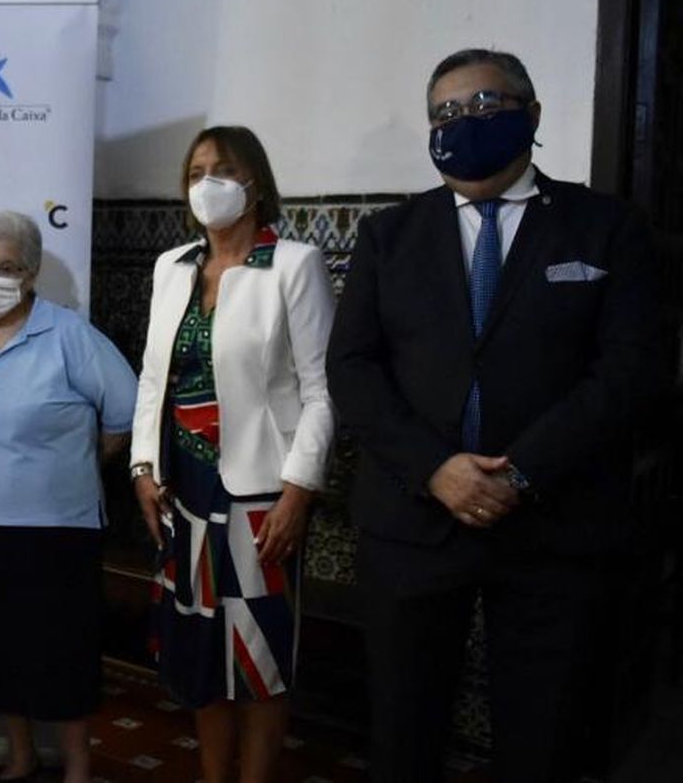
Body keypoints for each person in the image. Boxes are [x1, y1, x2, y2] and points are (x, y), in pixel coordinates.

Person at [326, 48, 666, 782]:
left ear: (531, 114)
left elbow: (630, 372)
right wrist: (437, 470)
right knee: (404, 735)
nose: (462, 123)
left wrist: (520, 471)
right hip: (415, 524)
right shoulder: (390, 235)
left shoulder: (606, 228)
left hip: (555, 526)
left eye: (482, 106)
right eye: (445, 113)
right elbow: (352, 370)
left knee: (547, 740)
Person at [128, 127, 335, 782]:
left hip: (259, 495)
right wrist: (141, 466)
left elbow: (324, 394)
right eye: (196, 170)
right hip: (181, 489)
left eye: (223, 168)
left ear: (256, 183)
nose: (206, 181)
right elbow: (152, 378)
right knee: (199, 651)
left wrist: (298, 492)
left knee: (259, 656)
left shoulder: (293, 266)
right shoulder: (173, 265)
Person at [0, 210, 137, 783]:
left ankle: (76, 765)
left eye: (5, 267)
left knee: (61, 654)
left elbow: (123, 416)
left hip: (57, 530)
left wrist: (71, 467)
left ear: (32, 272)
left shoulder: (71, 335)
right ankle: (19, 758)